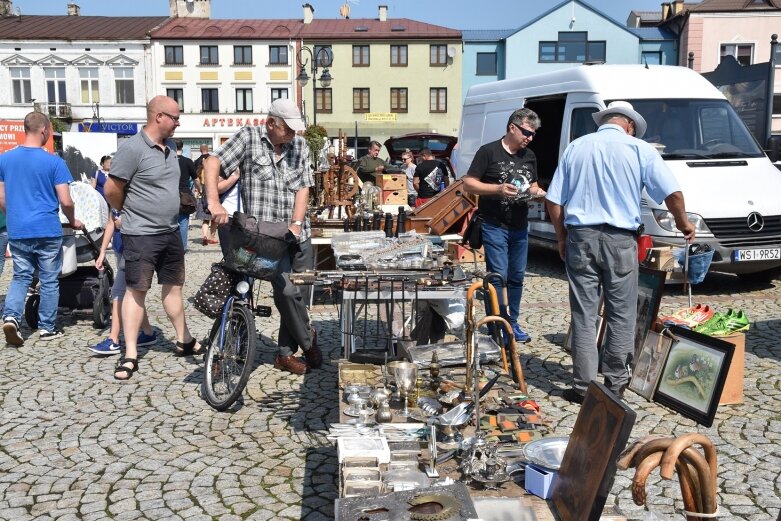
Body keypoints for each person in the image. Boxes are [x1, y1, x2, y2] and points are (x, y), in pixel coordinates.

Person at [545, 101, 695, 404]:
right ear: (629, 125)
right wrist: (683, 223)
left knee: (584, 314)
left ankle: (583, 387)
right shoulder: (639, 148)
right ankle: (614, 386)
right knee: (621, 314)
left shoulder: (577, 147)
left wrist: (561, 238)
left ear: (607, 121)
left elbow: (553, 200)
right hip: (619, 239)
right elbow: (673, 193)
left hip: (581, 236)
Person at [203, 98, 321, 375]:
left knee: (298, 294)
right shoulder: (249, 137)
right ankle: (309, 340)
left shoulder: (300, 146)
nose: (293, 134)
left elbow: (303, 188)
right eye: (288, 129)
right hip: (263, 237)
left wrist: (296, 223)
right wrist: (213, 203)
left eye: (295, 129)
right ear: (270, 123)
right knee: (286, 292)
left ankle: (284, 353)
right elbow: (212, 162)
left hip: (297, 233)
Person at [104, 95, 201, 381]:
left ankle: (184, 340)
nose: (178, 122)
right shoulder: (132, 148)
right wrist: (130, 211)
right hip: (141, 235)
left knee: (173, 289)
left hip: (170, 231)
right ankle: (130, 354)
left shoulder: (170, 147)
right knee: (136, 291)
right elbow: (112, 189)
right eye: (174, 117)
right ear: (158, 116)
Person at [462, 108, 545, 344]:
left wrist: (537, 193)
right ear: (512, 127)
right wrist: (497, 189)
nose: (530, 138)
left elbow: (532, 184)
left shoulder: (529, 156)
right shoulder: (488, 151)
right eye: (527, 132)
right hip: (494, 224)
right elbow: (468, 183)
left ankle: (513, 322)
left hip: (519, 225)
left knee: (517, 276)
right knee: (499, 276)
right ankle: (498, 323)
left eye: (533, 134)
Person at [0, 111, 83, 345]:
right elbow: (66, 201)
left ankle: (11, 317)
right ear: (45, 130)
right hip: (47, 228)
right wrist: (73, 219)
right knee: (49, 280)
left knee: (20, 276)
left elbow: (1, 197)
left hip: (18, 229)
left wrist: (14, 216)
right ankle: (47, 327)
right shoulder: (54, 162)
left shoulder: (4, 160)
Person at [88, 210, 157, 355]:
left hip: (134, 247)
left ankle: (113, 340)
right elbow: (110, 222)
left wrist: (124, 224)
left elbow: (148, 219)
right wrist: (102, 252)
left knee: (118, 292)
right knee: (132, 293)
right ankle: (148, 332)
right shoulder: (113, 193)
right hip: (120, 247)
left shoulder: (134, 193)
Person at [175, 139, 199, 252]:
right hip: (184, 194)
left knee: (170, 221)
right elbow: (196, 179)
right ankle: (183, 247)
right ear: (182, 148)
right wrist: (200, 189)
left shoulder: (167, 161)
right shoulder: (188, 161)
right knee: (183, 221)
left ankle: (171, 246)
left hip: (169, 194)